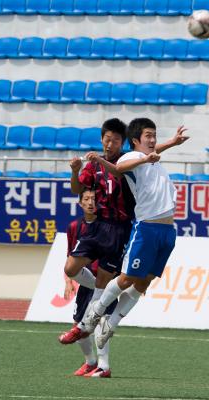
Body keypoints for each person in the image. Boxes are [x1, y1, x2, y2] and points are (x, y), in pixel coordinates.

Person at [59, 117, 189, 345]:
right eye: (148, 136)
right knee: (123, 278)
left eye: (153, 135)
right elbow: (121, 167)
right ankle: (90, 319)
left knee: (142, 284)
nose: (152, 140)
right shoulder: (131, 157)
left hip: (164, 232)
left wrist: (171, 143)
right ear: (135, 141)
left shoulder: (150, 159)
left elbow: (149, 152)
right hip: (138, 227)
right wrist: (84, 166)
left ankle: (110, 323)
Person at [60, 188, 116, 378]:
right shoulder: (74, 227)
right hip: (87, 282)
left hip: (105, 279)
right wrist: (68, 281)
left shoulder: (107, 226)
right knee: (79, 325)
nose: (91, 202)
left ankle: (103, 365)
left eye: (94, 198)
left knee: (101, 322)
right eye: (86, 199)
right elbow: (71, 255)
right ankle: (90, 362)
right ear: (80, 203)